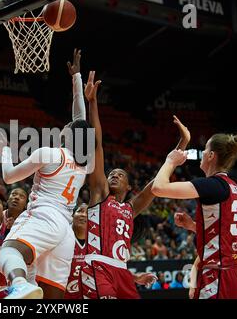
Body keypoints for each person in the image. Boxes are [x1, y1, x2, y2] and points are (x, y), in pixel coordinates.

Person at [81, 71, 189, 299]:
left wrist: (183, 142)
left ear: (130, 187)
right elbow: (97, 145)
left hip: (122, 271)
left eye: (120, 175)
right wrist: (92, 103)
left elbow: (160, 178)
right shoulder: (100, 195)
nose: (114, 176)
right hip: (97, 266)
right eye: (112, 174)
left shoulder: (131, 208)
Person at [0, 49, 91, 299]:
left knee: (8, 254)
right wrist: (76, 78)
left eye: (67, 126)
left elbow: (9, 177)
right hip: (64, 230)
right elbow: (80, 118)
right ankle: (25, 286)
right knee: (52, 296)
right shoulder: (82, 163)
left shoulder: (50, 153)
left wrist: (4, 152)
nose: (66, 124)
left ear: (69, 135)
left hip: (44, 216)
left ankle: (19, 285)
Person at [152, 133, 237, 299]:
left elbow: (158, 188)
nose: (202, 153)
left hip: (218, 276)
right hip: (236, 276)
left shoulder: (212, 185)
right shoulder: (235, 188)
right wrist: (192, 226)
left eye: (205, 149)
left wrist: (170, 161)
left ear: (211, 155)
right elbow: (225, 234)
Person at [64, 204, 87, 299]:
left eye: (88, 213)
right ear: (73, 216)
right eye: (80, 211)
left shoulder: (97, 243)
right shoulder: (62, 236)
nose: (84, 215)